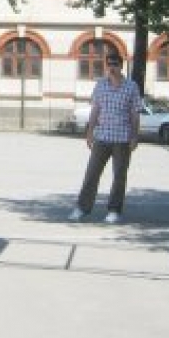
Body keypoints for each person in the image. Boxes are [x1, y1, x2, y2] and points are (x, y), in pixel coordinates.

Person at [69, 50, 142, 224]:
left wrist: (134, 136)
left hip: (122, 138)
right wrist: (89, 132)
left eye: (115, 64)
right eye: (109, 64)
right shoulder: (100, 85)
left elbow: (135, 113)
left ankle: (114, 210)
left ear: (121, 66)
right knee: (92, 173)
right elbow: (95, 110)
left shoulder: (131, 86)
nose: (111, 67)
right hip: (102, 137)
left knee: (119, 176)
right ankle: (81, 208)